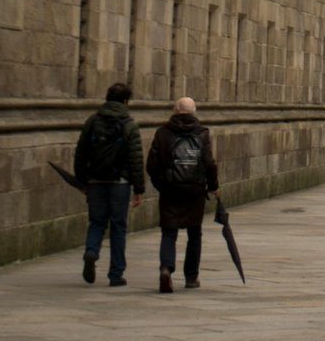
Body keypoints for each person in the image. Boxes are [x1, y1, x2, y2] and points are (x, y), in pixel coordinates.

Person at [74, 82, 145, 288]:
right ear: (125, 101)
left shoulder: (92, 121)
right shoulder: (129, 125)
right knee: (118, 226)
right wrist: (139, 189)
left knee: (96, 222)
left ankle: (91, 251)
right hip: (119, 184)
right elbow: (136, 160)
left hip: (95, 181)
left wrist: (82, 180)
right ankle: (115, 274)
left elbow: (81, 153)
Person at [145, 96, 219, 292]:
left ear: (174, 110)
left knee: (169, 231)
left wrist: (161, 184)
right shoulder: (202, 133)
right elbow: (210, 163)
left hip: (170, 189)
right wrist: (213, 186)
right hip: (194, 189)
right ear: (194, 112)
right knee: (194, 233)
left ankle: (166, 268)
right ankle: (191, 277)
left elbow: (151, 165)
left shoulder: (162, 133)